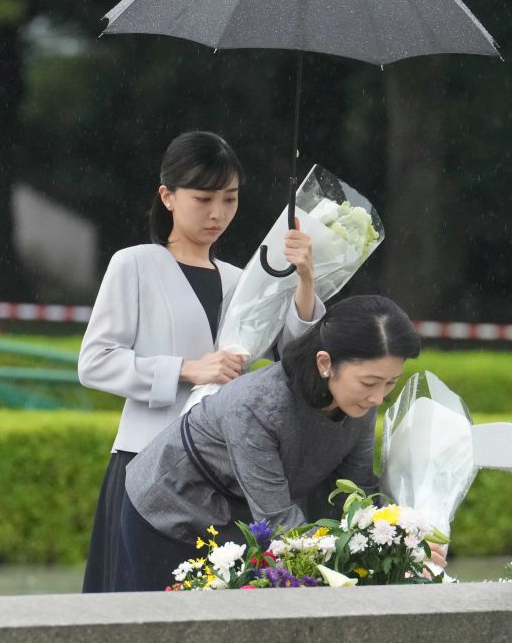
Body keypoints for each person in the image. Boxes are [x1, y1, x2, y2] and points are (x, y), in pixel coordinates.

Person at [78, 131, 324, 593]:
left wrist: (305, 281)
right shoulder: (134, 265)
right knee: (138, 611)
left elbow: (296, 363)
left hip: (223, 476)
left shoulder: (244, 280)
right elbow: (94, 362)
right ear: (167, 196)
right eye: (203, 198)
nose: (218, 214)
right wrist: (188, 369)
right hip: (144, 466)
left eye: (229, 199)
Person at [113, 294, 425, 592]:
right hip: (170, 511)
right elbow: (278, 521)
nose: (377, 397)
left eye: (390, 384)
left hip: (243, 521)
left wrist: (404, 542)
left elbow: (357, 496)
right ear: (325, 362)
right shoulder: (258, 405)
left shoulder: (360, 406)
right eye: (369, 382)